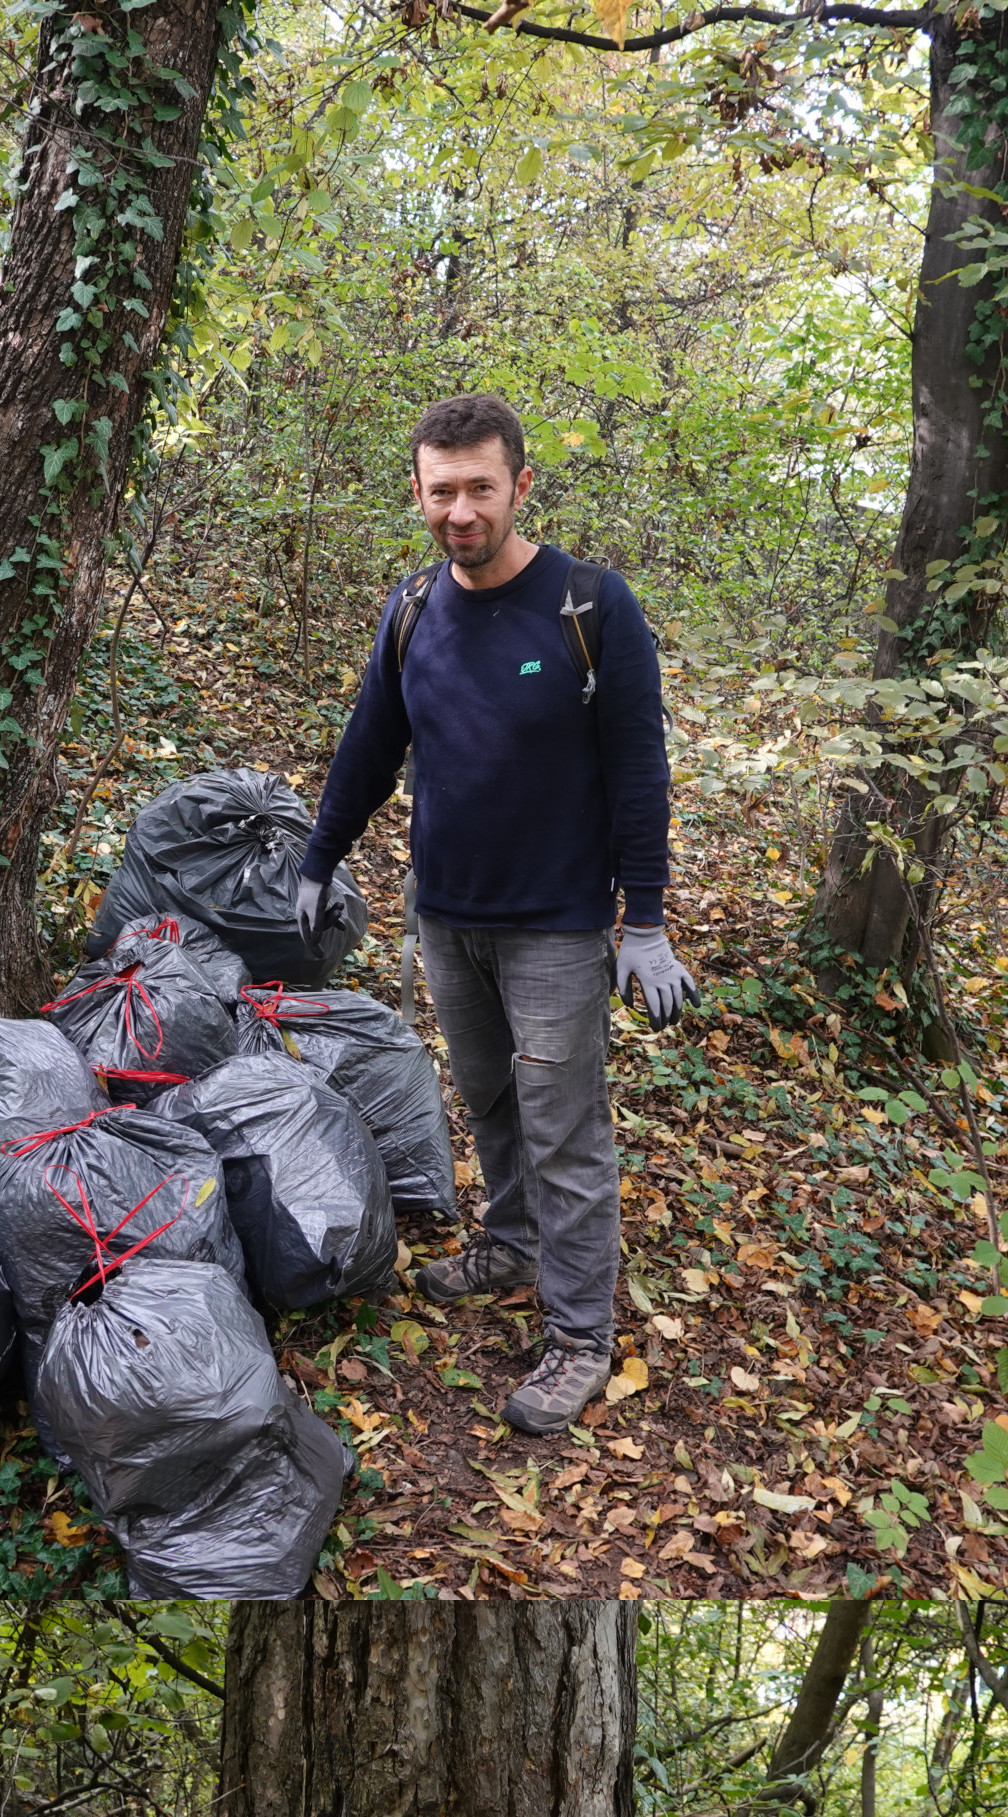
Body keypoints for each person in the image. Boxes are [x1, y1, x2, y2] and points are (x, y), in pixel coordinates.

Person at [294, 391, 694, 1435]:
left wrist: (641, 921)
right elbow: (369, 745)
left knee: (565, 1132)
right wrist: (318, 853)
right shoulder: (414, 607)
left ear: (521, 486)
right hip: (447, 913)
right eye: (442, 490)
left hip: (558, 926)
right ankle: (510, 1244)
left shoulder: (592, 609)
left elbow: (640, 772)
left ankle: (576, 1335)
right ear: (417, 494)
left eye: (480, 487)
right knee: (489, 1101)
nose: (460, 509)